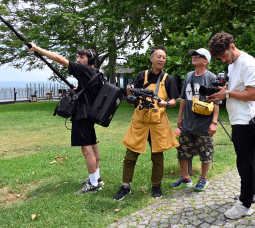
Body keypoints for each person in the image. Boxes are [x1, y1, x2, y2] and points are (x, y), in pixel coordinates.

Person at [26, 43, 104, 194]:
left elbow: (59, 59)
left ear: (90, 60)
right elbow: (91, 93)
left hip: (82, 116)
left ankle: (93, 184)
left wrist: (37, 49)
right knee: (93, 146)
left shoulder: (85, 70)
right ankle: (97, 177)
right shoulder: (96, 74)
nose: (78, 60)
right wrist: (79, 89)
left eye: (82, 57)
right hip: (90, 116)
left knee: (87, 150)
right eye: (78, 57)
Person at [113, 46, 180, 200]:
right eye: (158, 56)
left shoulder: (168, 79)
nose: (161, 59)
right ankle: (125, 186)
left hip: (158, 123)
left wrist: (167, 104)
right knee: (130, 156)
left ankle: (156, 186)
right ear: (151, 58)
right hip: (140, 122)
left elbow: (174, 100)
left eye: (163, 57)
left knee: (157, 158)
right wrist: (130, 90)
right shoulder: (141, 75)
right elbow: (132, 90)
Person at [207, 32, 255, 219]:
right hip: (238, 118)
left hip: (246, 120)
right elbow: (235, 88)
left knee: (243, 163)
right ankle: (253, 193)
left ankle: (244, 205)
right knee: (248, 158)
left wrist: (227, 94)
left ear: (232, 47)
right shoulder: (233, 64)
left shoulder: (248, 63)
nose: (223, 60)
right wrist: (221, 91)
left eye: (223, 56)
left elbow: (253, 94)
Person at [170, 48, 219, 191]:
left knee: (206, 153)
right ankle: (186, 178)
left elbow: (216, 103)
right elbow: (184, 98)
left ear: (206, 61)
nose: (194, 57)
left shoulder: (212, 78)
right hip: (188, 123)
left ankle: (203, 179)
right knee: (182, 151)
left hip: (204, 124)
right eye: (193, 55)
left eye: (198, 55)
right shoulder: (188, 76)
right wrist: (180, 116)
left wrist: (214, 123)